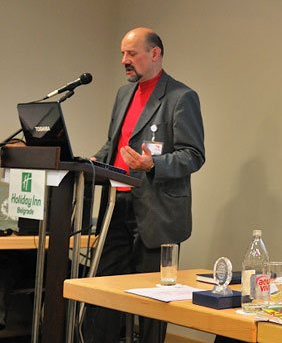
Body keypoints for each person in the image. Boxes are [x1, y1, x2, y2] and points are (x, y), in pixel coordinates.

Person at [83, 27, 205, 343]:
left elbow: (193, 155)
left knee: (153, 301)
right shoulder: (123, 95)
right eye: (123, 54)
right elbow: (114, 144)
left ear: (154, 54)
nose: (124, 60)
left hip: (157, 213)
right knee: (105, 291)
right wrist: (93, 161)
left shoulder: (181, 97)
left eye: (132, 53)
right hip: (117, 205)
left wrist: (153, 164)